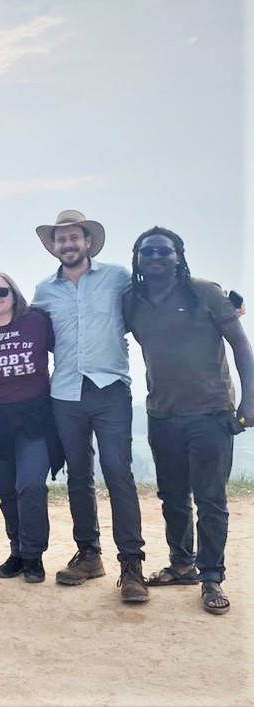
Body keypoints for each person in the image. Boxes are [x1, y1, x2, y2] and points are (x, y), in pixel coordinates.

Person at [123, 227, 254, 615]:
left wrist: (249, 402)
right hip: (162, 414)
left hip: (211, 413)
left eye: (164, 250)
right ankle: (182, 564)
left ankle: (211, 577)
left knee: (211, 499)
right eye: (147, 252)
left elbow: (242, 347)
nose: (156, 257)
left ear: (179, 256)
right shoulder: (133, 300)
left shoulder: (204, 292)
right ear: (137, 259)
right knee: (173, 496)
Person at [31, 210, 148, 603]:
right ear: (54, 247)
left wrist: (222, 302)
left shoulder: (118, 278)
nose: (67, 244)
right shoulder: (44, 290)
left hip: (111, 388)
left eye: (73, 237)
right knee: (78, 474)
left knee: (118, 473)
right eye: (60, 239)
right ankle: (90, 555)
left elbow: (150, 306)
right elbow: (33, 333)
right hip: (66, 392)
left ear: (87, 242)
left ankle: (132, 565)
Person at [0, 273, 63, 584]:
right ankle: (17, 550)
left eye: (2, 290)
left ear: (14, 294)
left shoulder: (36, 322)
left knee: (30, 486)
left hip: (34, 420)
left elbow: (68, 348)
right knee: (7, 491)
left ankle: (33, 556)